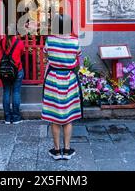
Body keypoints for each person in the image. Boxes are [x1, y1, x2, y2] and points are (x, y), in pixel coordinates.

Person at [41, 14, 82, 160]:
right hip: (69, 80)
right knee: (68, 117)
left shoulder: (50, 41)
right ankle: (67, 149)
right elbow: (77, 59)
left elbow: (45, 55)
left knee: (54, 117)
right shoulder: (75, 42)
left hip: (53, 80)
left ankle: (57, 151)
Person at [0, 30, 25, 125]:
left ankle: (7, 117)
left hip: (4, 70)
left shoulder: (2, 42)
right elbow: (22, 53)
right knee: (16, 92)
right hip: (17, 70)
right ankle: (16, 117)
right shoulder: (19, 43)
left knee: (6, 92)